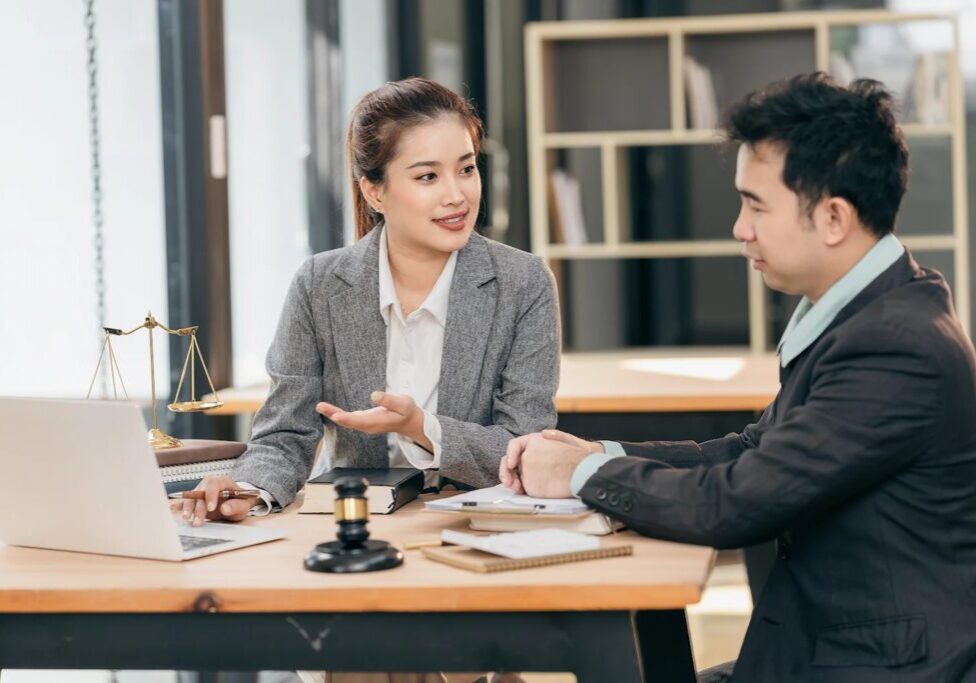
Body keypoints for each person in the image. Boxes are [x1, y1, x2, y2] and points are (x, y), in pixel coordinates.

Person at [502, 73, 976, 682]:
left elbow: (736, 503)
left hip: (882, 668)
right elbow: (753, 452)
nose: (739, 228)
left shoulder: (895, 346)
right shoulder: (874, 310)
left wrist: (582, 474)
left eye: (756, 204)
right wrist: (601, 452)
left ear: (833, 217)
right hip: (832, 647)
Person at [173, 76, 559, 529]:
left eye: (467, 169)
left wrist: (420, 427)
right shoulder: (319, 284)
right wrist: (250, 489)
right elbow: (285, 434)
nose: (457, 194)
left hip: (476, 529)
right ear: (374, 191)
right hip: (349, 526)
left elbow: (526, 448)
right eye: (428, 176)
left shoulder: (524, 282)